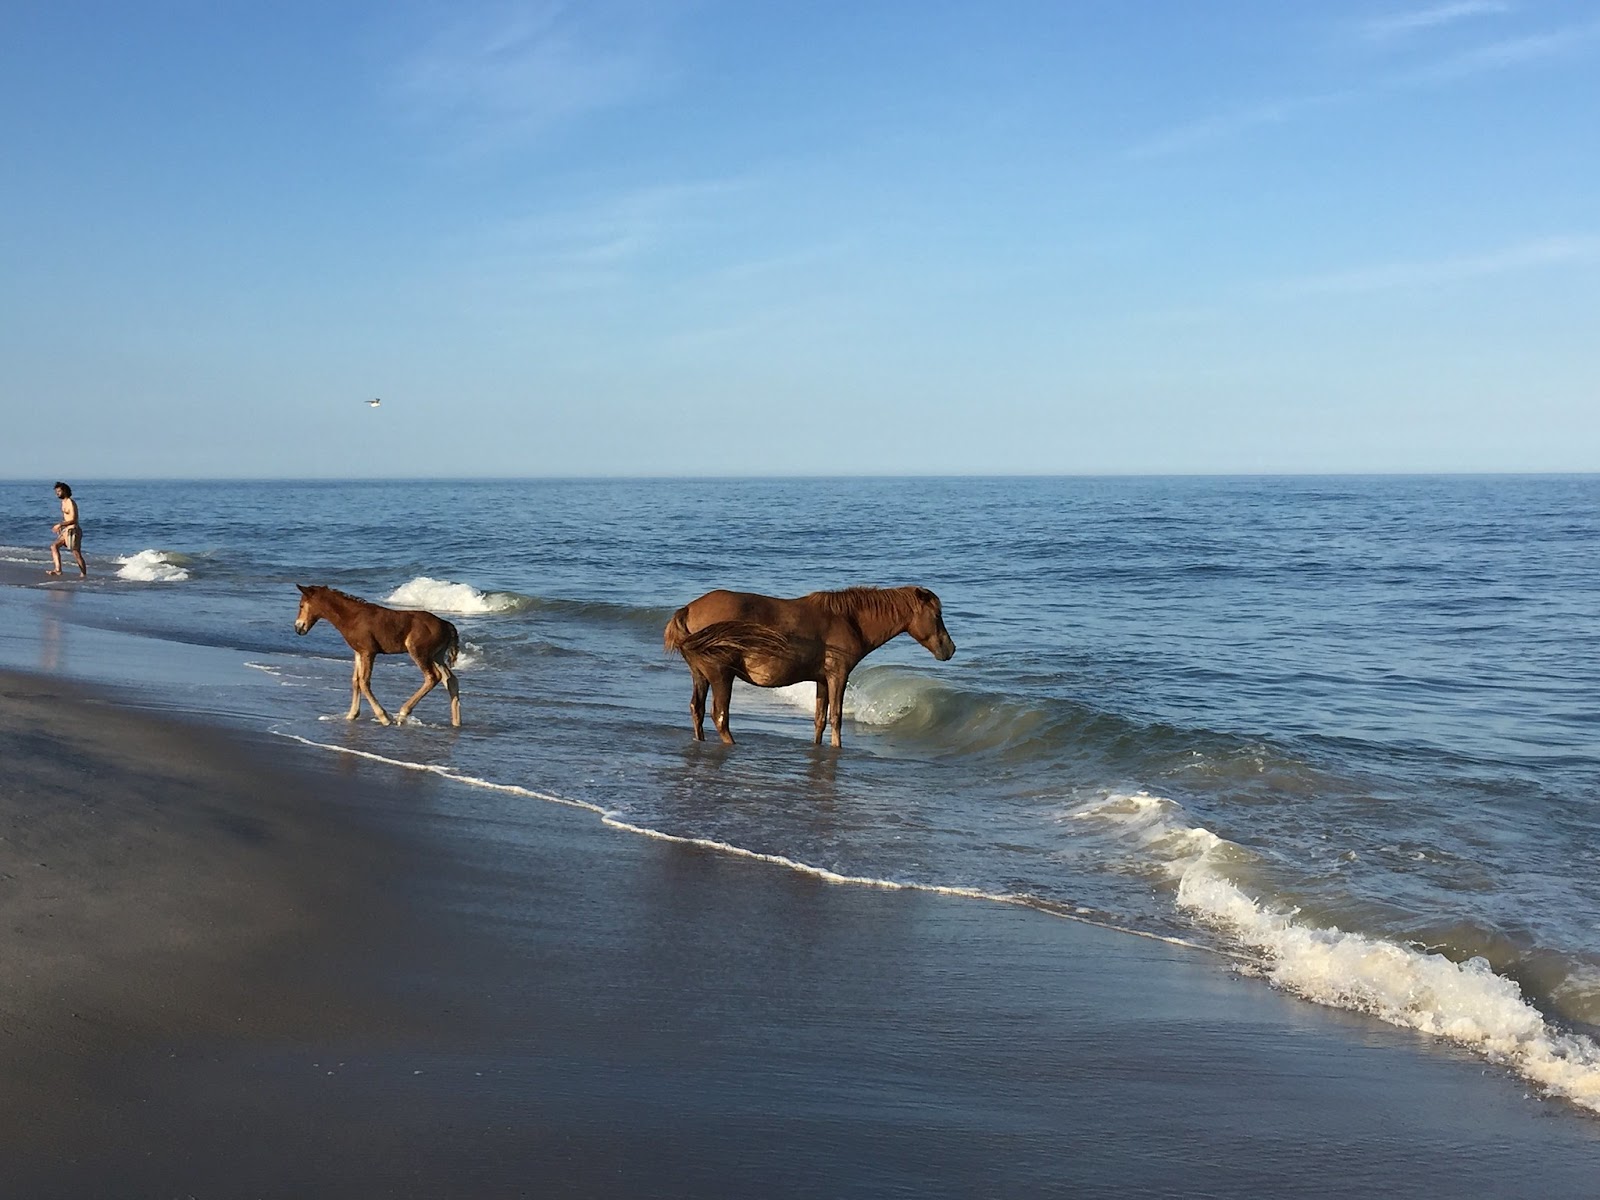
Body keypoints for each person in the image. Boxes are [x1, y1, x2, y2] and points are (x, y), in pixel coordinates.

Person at [48, 481, 87, 577]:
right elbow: (67, 517)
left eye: (59, 491)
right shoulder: (63, 502)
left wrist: (60, 525)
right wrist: (62, 528)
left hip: (74, 530)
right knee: (54, 546)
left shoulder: (70, 502)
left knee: (76, 553)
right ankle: (58, 570)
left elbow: (74, 519)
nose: (57, 493)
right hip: (66, 530)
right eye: (56, 491)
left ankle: (83, 574)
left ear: (64, 491)